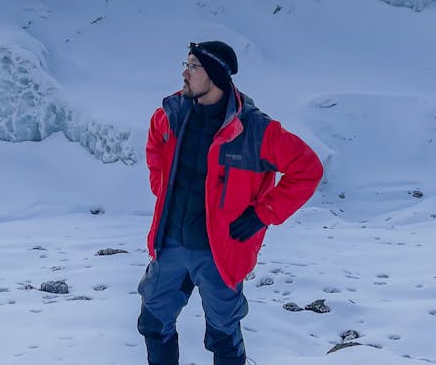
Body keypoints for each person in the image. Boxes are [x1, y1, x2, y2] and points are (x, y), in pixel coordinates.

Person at [137, 41, 324, 365]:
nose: (185, 72)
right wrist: (160, 186)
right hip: (169, 247)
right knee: (153, 324)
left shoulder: (255, 130)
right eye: (187, 63)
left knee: (223, 337)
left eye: (193, 66)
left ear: (216, 76)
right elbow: (154, 141)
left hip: (219, 254)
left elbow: (308, 169)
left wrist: (263, 213)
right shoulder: (172, 114)